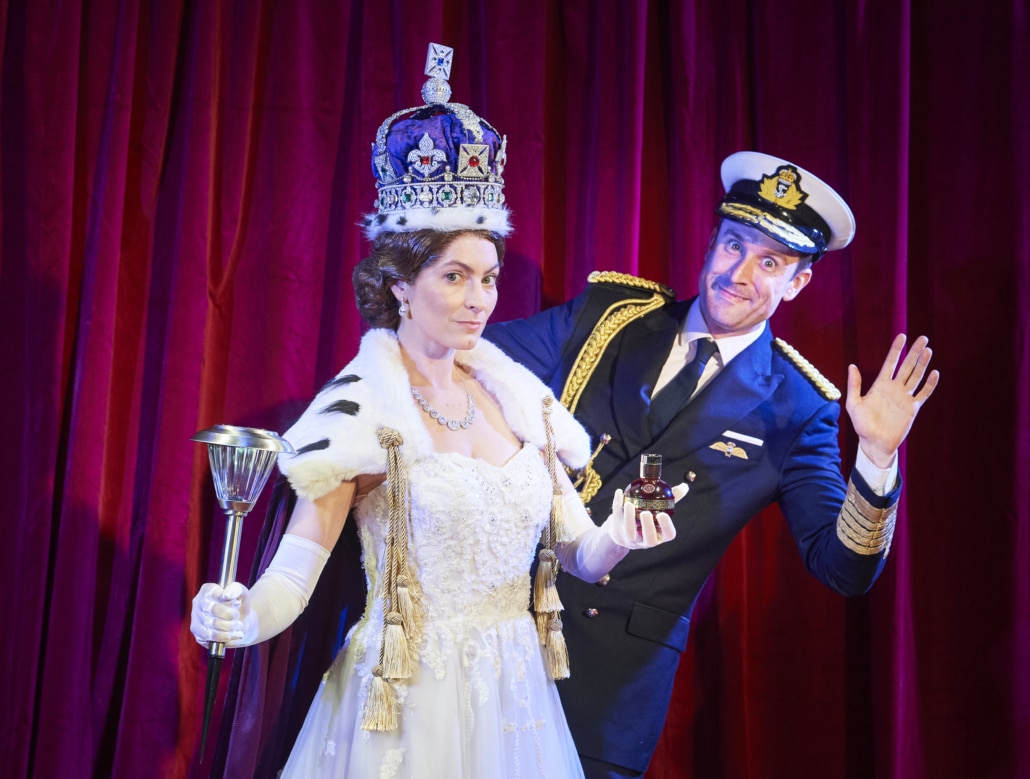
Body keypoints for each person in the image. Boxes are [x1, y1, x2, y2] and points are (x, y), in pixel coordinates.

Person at [190, 44, 682, 779]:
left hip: (515, 699)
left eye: (487, 276)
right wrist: (237, 612)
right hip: (402, 706)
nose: (480, 297)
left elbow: (578, 552)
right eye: (455, 276)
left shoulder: (523, 404)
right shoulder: (358, 412)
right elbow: (294, 580)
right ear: (398, 283)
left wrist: (621, 534)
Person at [485, 150, 940, 778]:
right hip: (496, 630)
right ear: (711, 243)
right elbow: (474, 358)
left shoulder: (795, 408)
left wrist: (878, 457)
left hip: (608, 689)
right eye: (734, 244)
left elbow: (843, 569)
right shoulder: (610, 317)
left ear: (798, 282)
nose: (740, 273)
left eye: (770, 262)